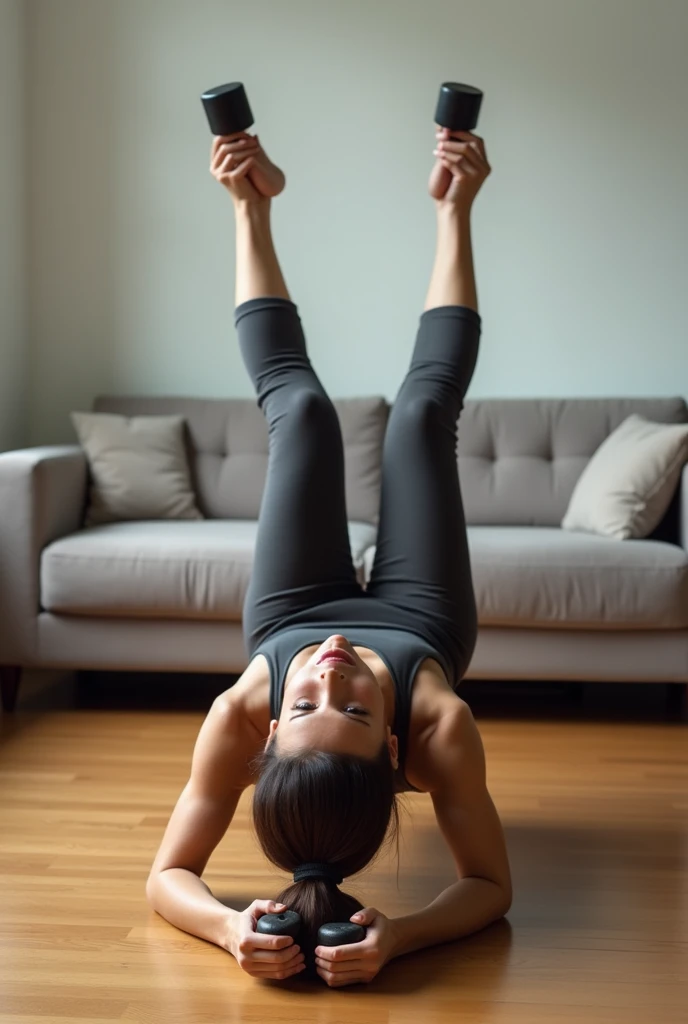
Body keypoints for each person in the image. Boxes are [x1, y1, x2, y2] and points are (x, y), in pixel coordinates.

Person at [146, 118, 512, 988]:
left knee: (300, 412)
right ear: (393, 749)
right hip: (422, 621)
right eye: (350, 709)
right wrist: (408, 933)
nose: (333, 671)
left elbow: (167, 877)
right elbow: (491, 886)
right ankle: (457, 206)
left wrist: (232, 928)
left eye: (308, 701)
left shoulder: (240, 714)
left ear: (270, 731)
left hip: (289, 611)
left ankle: (250, 202)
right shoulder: (440, 728)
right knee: (423, 417)